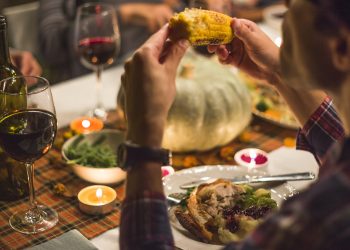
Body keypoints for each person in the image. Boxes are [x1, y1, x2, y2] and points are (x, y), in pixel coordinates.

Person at [118, 0, 350, 248]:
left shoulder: (327, 212)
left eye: (291, 8)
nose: (284, 21)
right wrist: (277, 75)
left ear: (341, 48)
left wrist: (144, 136)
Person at [38, 0, 178, 83]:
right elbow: (51, 44)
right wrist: (123, 14)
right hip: (86, 85)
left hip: (156, 76)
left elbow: (177, 11)